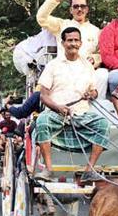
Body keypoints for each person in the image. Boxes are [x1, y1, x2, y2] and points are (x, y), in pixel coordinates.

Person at [35, 27, 110, 183]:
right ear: (63, 43)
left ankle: (89, 170)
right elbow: (43, 96)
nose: (73, 43)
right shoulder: (53, 65)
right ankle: (49, 170)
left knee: (103, 124)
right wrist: (58, 107)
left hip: (81, 114)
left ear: (81, 43)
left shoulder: (88, 66)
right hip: (57, 113)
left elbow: (94, 91)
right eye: (69, 40)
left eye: (76, 40)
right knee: (42, 121)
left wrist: (92, 94)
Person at [37, 0, 107, 99]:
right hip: (64, 72)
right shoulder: (62, 25)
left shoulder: (96, 31)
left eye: (82, 6)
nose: (79, 9)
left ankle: (96, 109)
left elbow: (101, 54)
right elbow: (41, 18)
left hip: (86, 73)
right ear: (71, 10)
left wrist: (94, 59)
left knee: (103, 74)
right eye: (75, 6)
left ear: (87, 9)